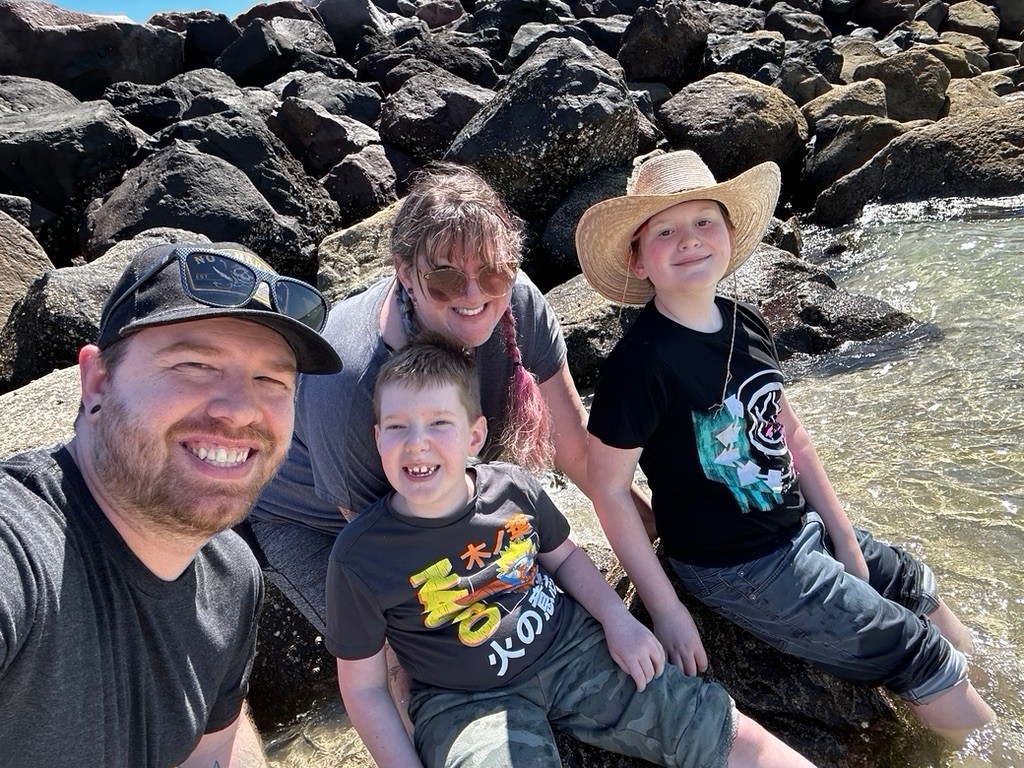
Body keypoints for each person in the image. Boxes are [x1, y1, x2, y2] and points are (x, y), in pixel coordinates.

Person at [576, 150, 996, 746]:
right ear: (637, 259)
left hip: (797, 528)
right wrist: (666, 611)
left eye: (704, 223)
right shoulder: (639, 363)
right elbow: (609, 488)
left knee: (912, 584)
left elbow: (791, 436)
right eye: (664, 231)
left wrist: (844, 537)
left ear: (728, 235)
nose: (689, 241)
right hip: (737, 565)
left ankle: (996, 716)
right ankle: (977, 743)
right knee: (912, 650)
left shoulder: (745, 321)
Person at [325, 334, 817, 768]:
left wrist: (618, 622)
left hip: (574, 651)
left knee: (712, 725)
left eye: (438, 423)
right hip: (464, 703)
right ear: (376, 437)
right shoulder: (360, 558)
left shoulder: (514, 489)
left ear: (475, 435)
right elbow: (364, 687)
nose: (417, 444)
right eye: (397, 427)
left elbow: (565, 557)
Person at [248, 162, 654, 638]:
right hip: (323, 523)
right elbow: (384, 552)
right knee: (417, 659)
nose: (472, 294)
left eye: (492, 272)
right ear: (403, 273)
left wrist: (654, 540)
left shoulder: (517, 303)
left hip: (453, 474)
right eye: (444, 277)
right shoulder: (351, 377)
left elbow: (581, 456)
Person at [0, 241, 341, 767]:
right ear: (95, 383)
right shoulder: (20, 550)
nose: (239, 411)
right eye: (195, 364)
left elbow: (215, 746)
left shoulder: (230, 573)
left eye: (271, 379)